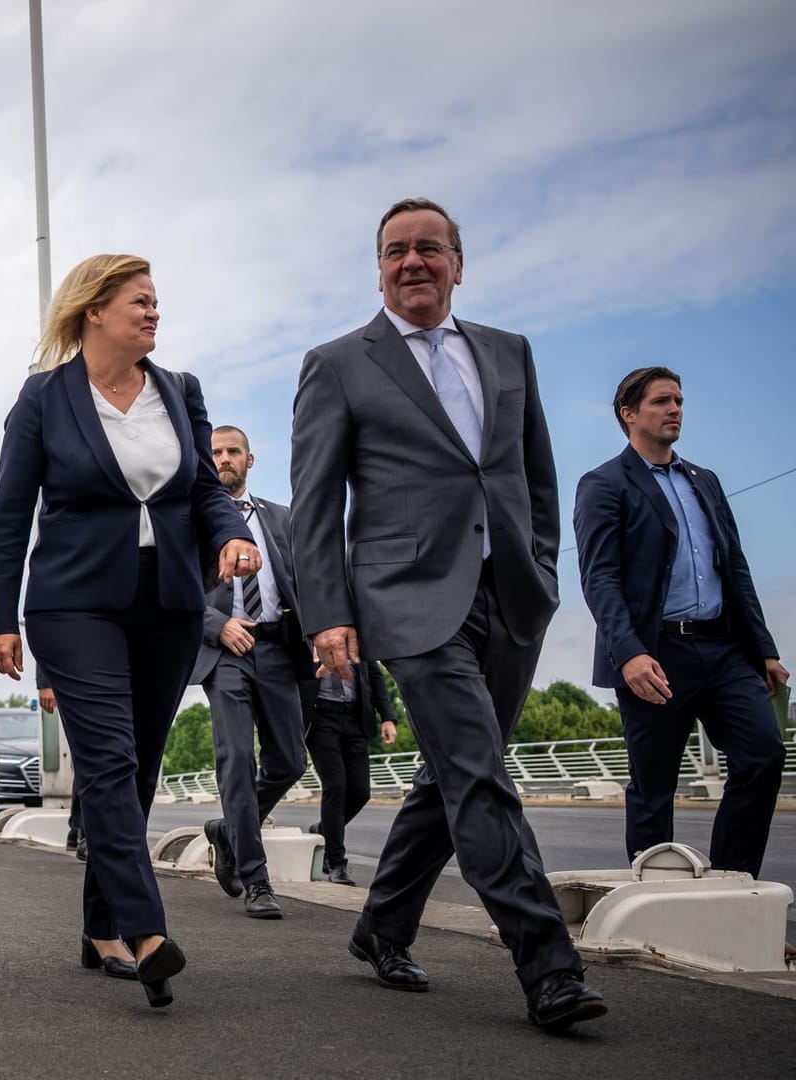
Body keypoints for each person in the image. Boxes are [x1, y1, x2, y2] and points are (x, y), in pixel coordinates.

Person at [290, 196, 606, 1030]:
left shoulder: (509, 353)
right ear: (380, 269)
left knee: (455, 775)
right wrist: (328, 613)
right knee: (478, 773)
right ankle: (549, 968)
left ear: (458, 264)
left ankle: (383, 925)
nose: (413, 262)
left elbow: (535, 475)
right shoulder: (338, 363)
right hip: (408, 598)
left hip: (509, 592)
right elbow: (316, 504)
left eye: (430, 248)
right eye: (396, 251)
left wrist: (541, 567)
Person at [0, 253, 256, 1009]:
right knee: (107, 759)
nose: (153, 313)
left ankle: (100, 927)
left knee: (136, 769)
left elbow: (204, 486)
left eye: (156, 302)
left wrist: (230, 536)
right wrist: (0, 620)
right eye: (139, 301)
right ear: (94, 310)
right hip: (74, 604)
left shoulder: (178, 389)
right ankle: (145, 933)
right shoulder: (44, 398)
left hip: (167, 601)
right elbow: (11, 515)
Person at [573, 366, 787, 875]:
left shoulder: (704, 481)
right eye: (662, 402)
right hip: (655, 654)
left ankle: (733, 892)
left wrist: (765, 649)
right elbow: (599, 578)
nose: (675, 410)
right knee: (653, 787)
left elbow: (735, 568)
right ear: (629, 414)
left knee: (763, 755)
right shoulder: (604, 484)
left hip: (724, 649)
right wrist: (629, 652)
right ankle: (654, 905)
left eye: (679, 401)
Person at [190, 425, 312, 918]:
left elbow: (306, 579)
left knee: (289, 762)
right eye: (215, 452)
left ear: (250, 459)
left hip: (279, 650)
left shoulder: (280, 518)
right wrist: (218, 625)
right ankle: (255, 878)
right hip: (224, 656)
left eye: (232, 451)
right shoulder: (193, 522)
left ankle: (228, 830)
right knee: (236, 760)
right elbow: (175, 587)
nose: (224, 459)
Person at [302, 659, 398, 885]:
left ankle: (323, 829)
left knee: (360, 792)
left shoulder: (356, 632)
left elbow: (375, 675)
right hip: (320, 717)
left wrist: (388, 717)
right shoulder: (309, 631)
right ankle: (335, 862)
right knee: (335, 786)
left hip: (356, 717)